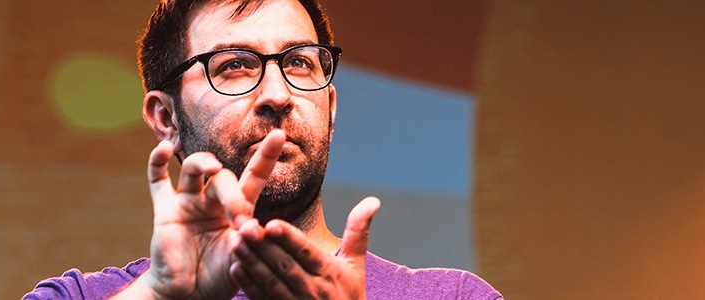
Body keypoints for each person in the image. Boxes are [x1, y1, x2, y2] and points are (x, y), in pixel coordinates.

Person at [25, 0, 502, 299]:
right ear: (166, 119)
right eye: (234, 65)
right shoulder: (82, 297)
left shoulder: (455, 296)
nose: (278, 94)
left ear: (331, 107)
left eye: (298, 63)